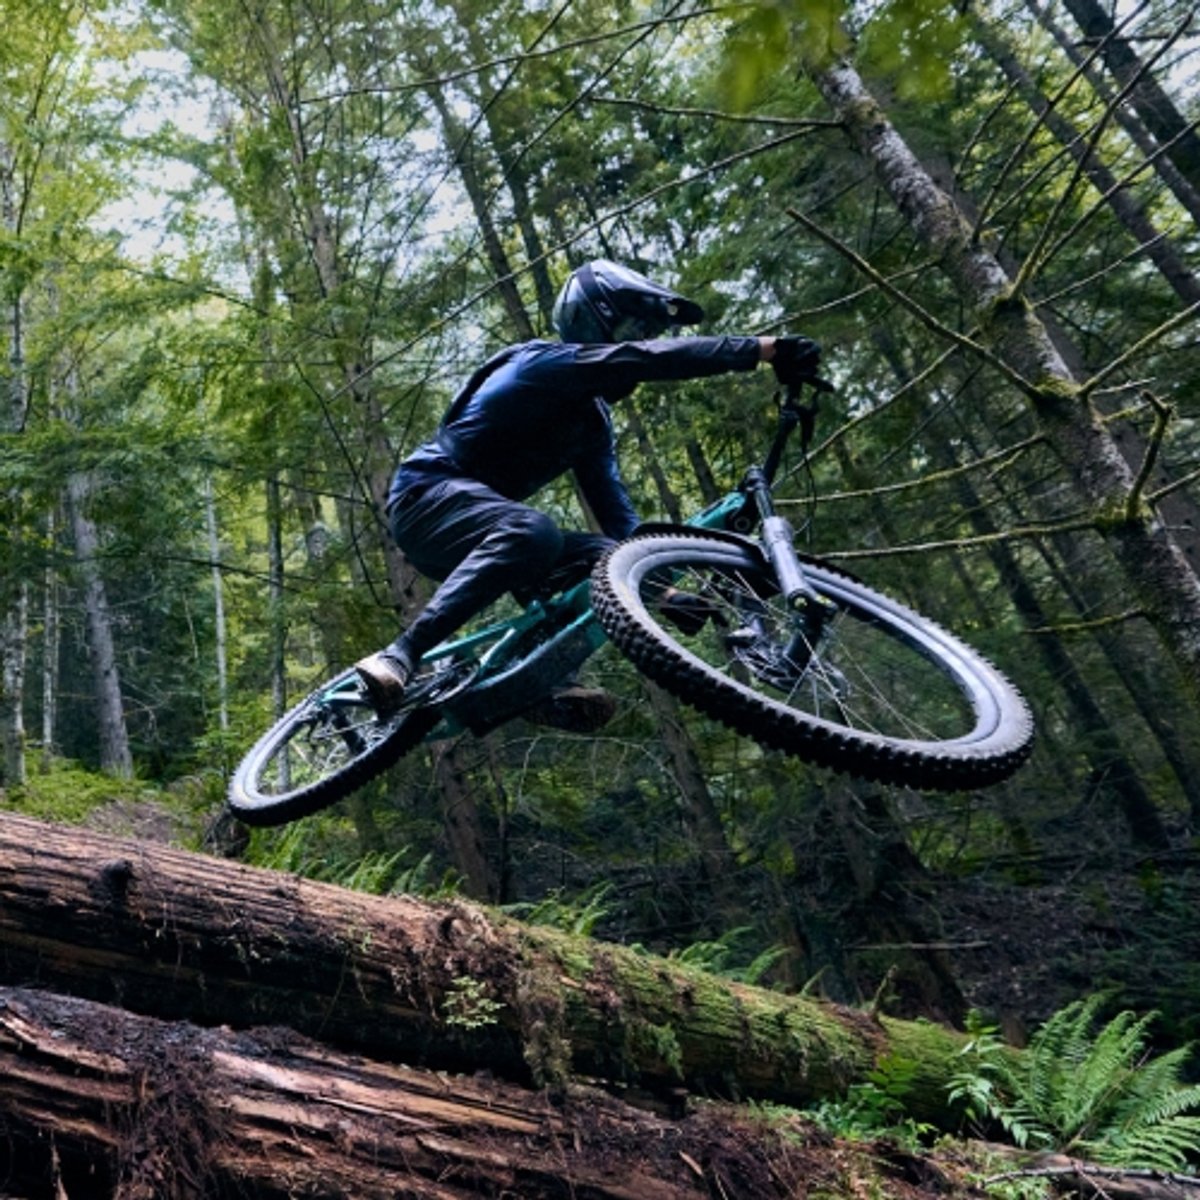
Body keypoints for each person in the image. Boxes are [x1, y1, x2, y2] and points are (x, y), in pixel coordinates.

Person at [355, 259, 820, 717]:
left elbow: (620, 522)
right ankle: (400, 654)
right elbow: (646, 359)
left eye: (647, 330)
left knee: (604, 560)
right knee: (534, 532)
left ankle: (533, 687)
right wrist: (764, 350)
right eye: (631, 327)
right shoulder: (542, 362)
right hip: (426, 497)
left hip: (481, 532)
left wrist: (657, 590)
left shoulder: (592, 426)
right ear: (591, 319)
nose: (640, 340)